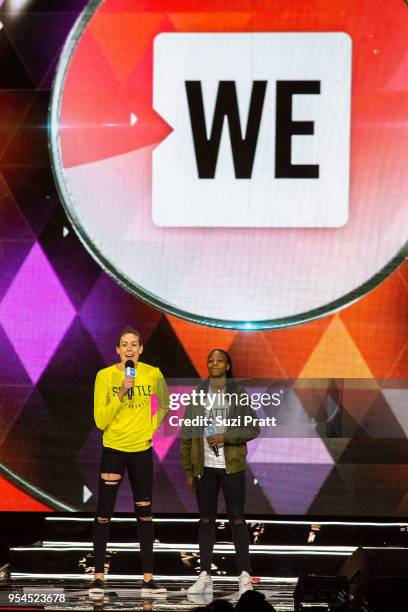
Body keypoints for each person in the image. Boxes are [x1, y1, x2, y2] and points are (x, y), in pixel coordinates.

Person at [89, 327, 169, 597]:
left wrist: (151, 428)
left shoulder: (152, 373)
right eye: (124, 344)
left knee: (145, 514)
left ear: (141, 349)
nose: (130, 349)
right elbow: (101, 421)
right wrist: (121, 392)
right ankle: (98, 578)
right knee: (103, 514)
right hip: (113, 449)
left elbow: (167, 405)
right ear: (117, 349)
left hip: (141, 451)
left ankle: (148, 579)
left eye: (134, 344)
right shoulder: (105, 376)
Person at [181, 349, 260, 598]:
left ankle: (245, 577)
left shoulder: (238, 394)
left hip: (231, 467)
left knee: (237, 519)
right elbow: (187, 434)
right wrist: (189, 469)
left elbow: (253, 428)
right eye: (210, 361)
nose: (214, 364)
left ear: (227, 366)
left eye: (219, 361)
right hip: (204, 467)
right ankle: (205, 576)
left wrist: (226, 437)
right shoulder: (198, 394)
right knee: (206, 520)